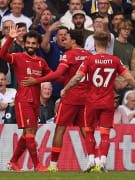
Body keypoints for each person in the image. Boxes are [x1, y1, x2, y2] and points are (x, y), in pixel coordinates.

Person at [61, 31, 135, 172]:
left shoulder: (89, 60)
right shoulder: (115, 60)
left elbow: (77, 77)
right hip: (108, 101)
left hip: (91, 101)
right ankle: (103, 161)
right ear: (109, 43)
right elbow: (128, 77)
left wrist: (66, 89)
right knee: (105, 133)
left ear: (93, 43)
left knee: (90, 132)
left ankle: (92, 160)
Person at [21, 29, 92, 172]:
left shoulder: (69, 55)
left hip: (70, 98)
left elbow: (59, 73)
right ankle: (94, 160)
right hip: (86, 98)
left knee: (60, 129)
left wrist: (38, 80)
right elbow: (70, 77)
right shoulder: (90, 56)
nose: (64, 41)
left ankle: (53, 165)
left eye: (67, 39)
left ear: (74, 41)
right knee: (86, 130)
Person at [0, 26, 54, 172]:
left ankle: (12, 162)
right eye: (28, 43)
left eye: (33, 43)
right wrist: (10, 38)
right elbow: (2, 54)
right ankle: (37, 165)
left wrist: (69, 74)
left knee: (27, 135)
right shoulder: (18, 57)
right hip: (23, 100)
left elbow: (52, 76)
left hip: (36, 101)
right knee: (29, 133)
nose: (30, 45)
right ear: (24, 44)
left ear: (38, 45)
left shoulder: (41, 62)